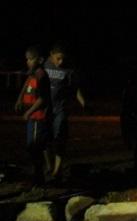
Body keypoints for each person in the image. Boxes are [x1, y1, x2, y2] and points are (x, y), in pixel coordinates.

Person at [44, 42, 86, 180]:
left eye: (63, 59)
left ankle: (57, 170)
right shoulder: (44, 65)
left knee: (59, 138)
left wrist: (82, 101)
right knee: (44, 139)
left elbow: (74, 88)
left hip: (60, 109)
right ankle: (49, 166)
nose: (61, 62)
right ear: (51, 55)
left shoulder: (68, 69)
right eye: (58, 58)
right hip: (45, 108)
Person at [14, 46, 52, 186]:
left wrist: (29, 112)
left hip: (38, 117)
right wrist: (19, 99)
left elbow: (42, 99)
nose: (28, 61)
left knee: (35, 147)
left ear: (40, 60)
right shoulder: (33, 73)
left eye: (31, 59)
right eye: (27, 59)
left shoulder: (41, 75)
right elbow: (26, 84)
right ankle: (38, 176)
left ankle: (39, 178)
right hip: (33, 117)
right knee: (33, 148)